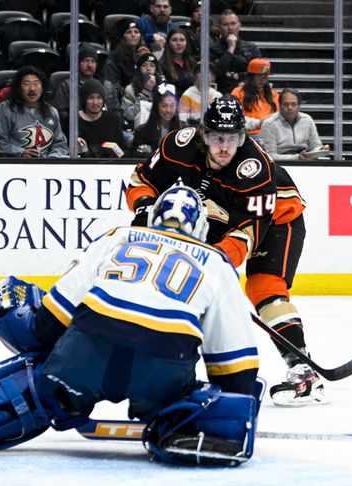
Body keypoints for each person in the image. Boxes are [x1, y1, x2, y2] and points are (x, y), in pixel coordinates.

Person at [0, 182, 260, 466]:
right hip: (159, 375)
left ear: (153, 216)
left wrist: (45, 351)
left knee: (46, 381)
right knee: (194, 401)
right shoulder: (217, 264)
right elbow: (235, 363)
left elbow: (52, 318)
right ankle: (173, 420)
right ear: (202, 229)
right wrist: (231, 411)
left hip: (84, 355)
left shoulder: (118, 236)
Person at [126, 96, 325, 407]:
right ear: (203, 134)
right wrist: (142, 207)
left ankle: (304, 373)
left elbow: (248, 234)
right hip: (219, 213)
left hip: (276, 220)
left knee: (265, 288)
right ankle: (172, 367)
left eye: (232, 139)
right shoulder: (180, 145)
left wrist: (212, 262)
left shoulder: (254, 169)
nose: (224, 147)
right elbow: (142, 180)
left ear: (242, 138)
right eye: (217, 138)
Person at [0, 67, 67, 158]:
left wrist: (52, 158)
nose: (32, 88)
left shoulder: (51, 111)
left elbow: (60, 144)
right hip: (16, 164)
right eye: (26, 84)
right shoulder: (6, 108)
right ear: (19, 88)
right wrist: (20, 152)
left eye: (36, 83)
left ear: (42, 88)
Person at [53, 45, 120, 132]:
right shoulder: (67, 86)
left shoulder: (106, 86)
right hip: (79, 131)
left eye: (93, 61)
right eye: (85, 61)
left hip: (107, 128)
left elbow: (117, 111)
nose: (89, 65)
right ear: (78, 63)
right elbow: (61, 115)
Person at [259, 88, 329, 161]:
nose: (289, 108)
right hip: (280, 165)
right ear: (279, 105)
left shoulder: (307, 120)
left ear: (299, 106)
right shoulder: (269, 124)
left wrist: (320, 150)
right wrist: (296, 158)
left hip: (305, 161)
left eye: (293, 104)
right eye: (286, 104)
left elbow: (315, 145)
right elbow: (269, 156)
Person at [210, 10, 263, 94]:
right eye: (225, 25)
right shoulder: (212, 49)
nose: (230, 28)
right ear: (219, 28)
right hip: (222, 94)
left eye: (233, 24)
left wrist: (237, 75)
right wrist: (231, 48)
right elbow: (217, 73)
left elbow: (260, 73)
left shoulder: (251, 48)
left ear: (239, 26)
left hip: (248, 93)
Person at [77, 79, 129, 158]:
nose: (95, 102)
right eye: (91, 98)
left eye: (99, 98)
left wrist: (117, 152)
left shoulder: (113, 120)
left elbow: (125, 151)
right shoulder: (73, 121)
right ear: (84, 99)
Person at [105, 20, 152, 106]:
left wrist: (147, 60)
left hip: (148, 96)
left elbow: (157, 78)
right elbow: (114, 86)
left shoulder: (146, 54)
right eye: (129, 32)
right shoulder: (115, 56)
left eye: (136, 32)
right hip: (126, 99)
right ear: (123, 37)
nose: (133, 35)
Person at [230, 58, 279, 137]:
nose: (263, 80)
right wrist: (259, 122)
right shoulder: (238, 93)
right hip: (249, 134)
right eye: (259, 77)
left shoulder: (274, 94)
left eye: (265, 77)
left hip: (271, 134)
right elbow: (234, 118)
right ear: (251, 77)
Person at [132, 82, 184, 155]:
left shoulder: (183, 131)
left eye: (172, 106)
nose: (168, 110)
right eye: (164, 106)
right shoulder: (142, 132)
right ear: (157, 106)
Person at [122, 52, 162, 129]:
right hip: (138, 128)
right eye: (144, 65)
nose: (148, 68)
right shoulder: (130, 89)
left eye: (152, 65)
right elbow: (130, 116)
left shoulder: (162, 88)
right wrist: (146, 91)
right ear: (139, 68)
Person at [158, 27, 197, 97]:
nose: (178, 43)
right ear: (168, 43)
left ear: (187, 42)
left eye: (182, 40)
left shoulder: (193, 63)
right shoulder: (162, 66)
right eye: (174, 40)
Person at [179, 61, 222, 125]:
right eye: (200, 72)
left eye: (208, 72)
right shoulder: (187, 95)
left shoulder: (218, 96)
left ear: (213, 77)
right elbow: (183, 122)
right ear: (194, 76)